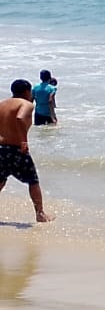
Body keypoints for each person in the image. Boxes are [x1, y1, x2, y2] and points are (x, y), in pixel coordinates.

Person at [0, 79, 54, 222]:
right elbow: (20, 118)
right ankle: (40, 214)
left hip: (1, 149)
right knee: (33, 181)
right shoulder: (26, 104)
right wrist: (23, 140)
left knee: (1, 180)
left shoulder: (2, 104)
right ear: (26, 92)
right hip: (16, 149)